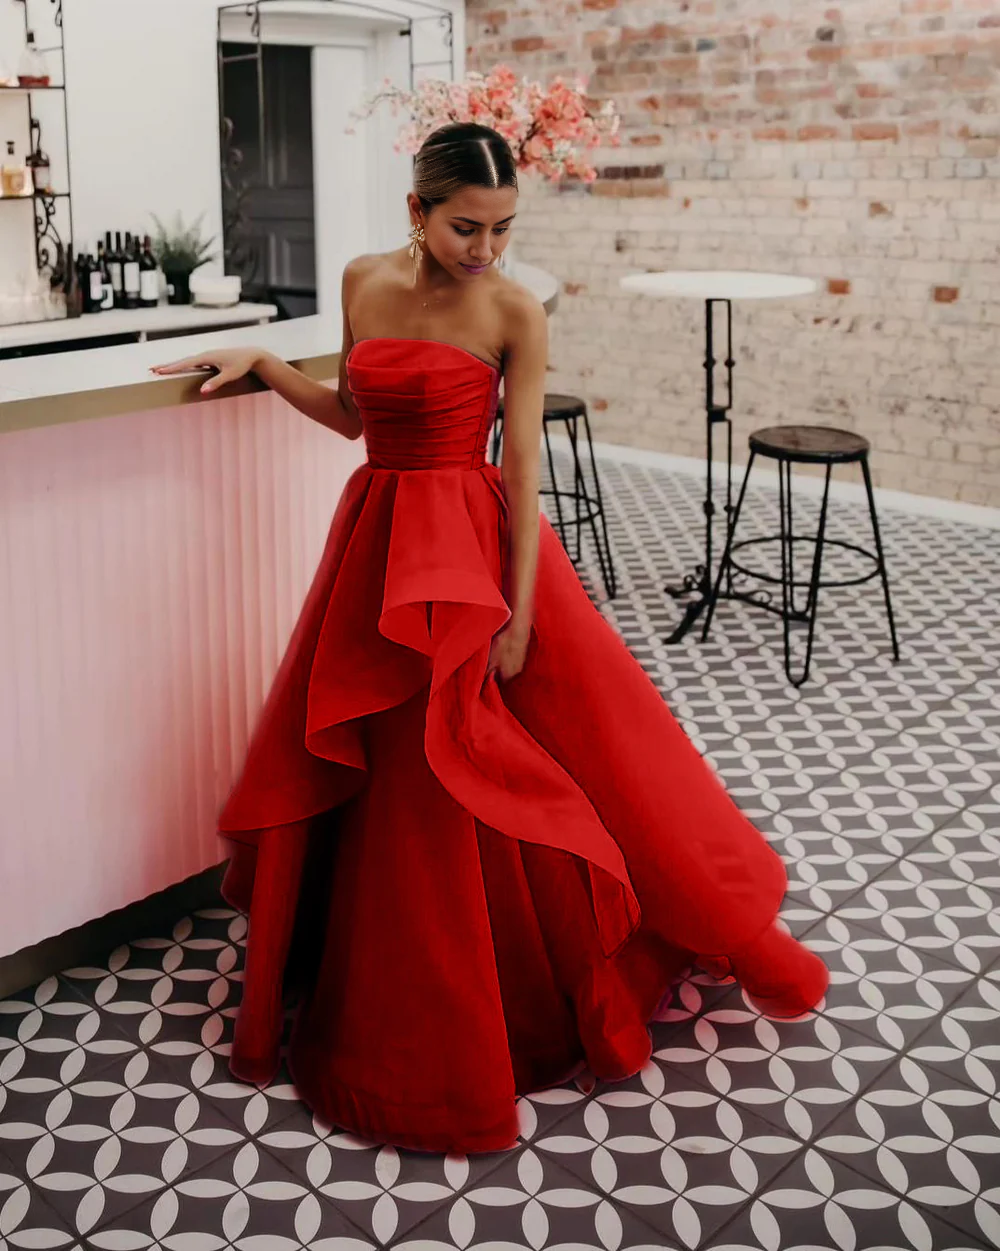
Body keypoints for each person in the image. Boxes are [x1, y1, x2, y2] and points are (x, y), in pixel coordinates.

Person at [152, 122, 828, 1155]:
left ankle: (551, 975)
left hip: (472, 551)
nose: (488, 249)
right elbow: (348, 415)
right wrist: (262, 363)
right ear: (417, 212)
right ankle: (380, 976)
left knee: (534, 754)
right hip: (376, 541)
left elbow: (520, 474)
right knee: (388, 768)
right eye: (467, 226)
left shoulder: (512, 306)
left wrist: (515, 611)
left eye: (504, 228)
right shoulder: (361, 280)